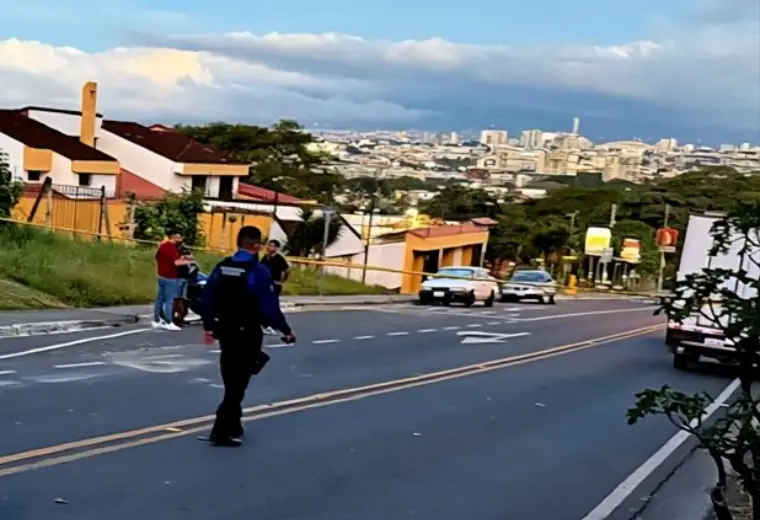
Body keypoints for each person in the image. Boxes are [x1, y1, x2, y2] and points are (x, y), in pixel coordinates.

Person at [200, 226, 296, 447]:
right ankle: (221, 430)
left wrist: (209, 325)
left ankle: (234, 424)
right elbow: (269, 306)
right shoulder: (257, 271)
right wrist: (285, 330)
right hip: (248, 330)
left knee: (232, 378)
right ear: (257, 246)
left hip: (226, 330)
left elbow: (207, 298)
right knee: (238, 382)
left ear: (238, 243)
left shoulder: (223, 267)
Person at [153, 230, 193, 331]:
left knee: (159, 299)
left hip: (161, 275)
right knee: (170, 301)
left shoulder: (162, 246)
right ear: (175, 238)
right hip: (170, 277)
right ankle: (169, 322)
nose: (181, 240)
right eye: (179, 238)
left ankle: (157, 320)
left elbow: (157, 257)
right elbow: (176, 263)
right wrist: (188, 261)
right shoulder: (172, 248)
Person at [260, 239, 289, 335]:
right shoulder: (265, 258)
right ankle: (268, 324)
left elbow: (286, 270)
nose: (268, 247)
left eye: (271, 245)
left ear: (276, 248)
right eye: (268, 245)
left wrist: (281, 282)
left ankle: (269, 325)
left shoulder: (279, 259)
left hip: (274, 284)